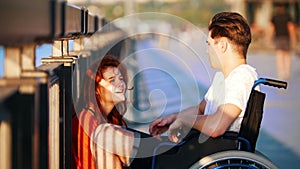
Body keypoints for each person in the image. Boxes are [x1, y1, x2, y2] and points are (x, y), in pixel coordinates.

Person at [149, 11, 258, 168]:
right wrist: (173, 118)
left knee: (124, 145)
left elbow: (216, 126)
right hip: (201, 150)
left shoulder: (242, 77)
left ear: (222, 45)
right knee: (125, 141)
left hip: (211, 155)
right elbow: (201, 109)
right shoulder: (223, 78)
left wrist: (185, 120)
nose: (207, 51)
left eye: (209, 44)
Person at [72, 55, 139, 169]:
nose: (120, 84)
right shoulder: (86, 119)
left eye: (121, 78)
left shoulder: (110, 118)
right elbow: (86, 164)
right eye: (112, 80)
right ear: (97, 89)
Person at [267, 4, 296, 80]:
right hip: (286, 37)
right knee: (286, 54)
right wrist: (293, 37)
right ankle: (287, 70)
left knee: (279, 54)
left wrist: (268, 37)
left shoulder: (275, 17)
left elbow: (272, 28)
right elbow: (291, 27)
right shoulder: (287, 16)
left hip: (278, 37)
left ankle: (281, 71)